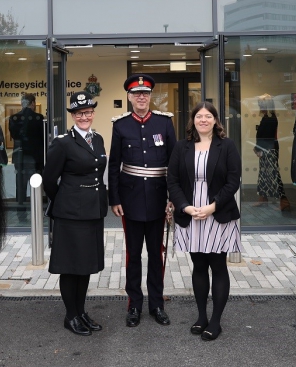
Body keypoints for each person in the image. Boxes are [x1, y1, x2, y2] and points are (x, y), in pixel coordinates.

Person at [167, 101, 243, 342]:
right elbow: (173, 181)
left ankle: (216, 321)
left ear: (215, 120)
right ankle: (201, 316)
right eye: (199, 116)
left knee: (218, 266)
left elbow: (233, 180)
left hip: (217, 213)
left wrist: (213, 206)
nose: (203, 120)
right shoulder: (182, 147)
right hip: (191, 214)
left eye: (208, 116)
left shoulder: (227, 146)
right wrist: (185, 207)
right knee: (198, 266)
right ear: (193, 120)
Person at [108, 74, 177, 328]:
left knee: (156, 254)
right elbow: (114, 165)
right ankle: (134, 305)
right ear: (129, 97)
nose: (141, 97)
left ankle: (157, 304)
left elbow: (174, 163)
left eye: (145, 94)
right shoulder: (121, 126)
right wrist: (114, 198)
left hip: (159, 199)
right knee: (133, 255)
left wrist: (172, 198)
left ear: (150, 97)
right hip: (131, 200)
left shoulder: (165, 123)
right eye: (136, 94)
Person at [43, 91, 108, 336]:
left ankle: (81, 311)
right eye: (80, 113)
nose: (85, 117)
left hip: (93, 211)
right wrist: (66, 200)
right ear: (72, 115)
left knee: (86, 265)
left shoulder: (98, 139)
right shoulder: (62, 142)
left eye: (88, 112)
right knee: (71, 266)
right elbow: (50, 180)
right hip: (70, 214)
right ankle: (70, 316)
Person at [253, 94, 290, 211]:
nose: (260, 106)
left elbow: (266, 137)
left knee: (273, 175)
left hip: (268, 149)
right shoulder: (267, 117)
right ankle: (263, 198)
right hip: (266, 149)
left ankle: (284, 201)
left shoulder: (270, 118)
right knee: (263, 174)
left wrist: (258, 148)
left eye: (261, 104)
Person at [9, 93, 45, 205]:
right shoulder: (39, 118)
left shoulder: (13, 118)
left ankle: (21, 211)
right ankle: (37, 209)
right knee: (37, 185)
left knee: (21, 186)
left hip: (19, 156)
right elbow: (42, 138)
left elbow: (14, 136)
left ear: (22, 103)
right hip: (36, 157)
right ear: (33, 103)